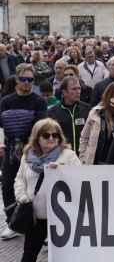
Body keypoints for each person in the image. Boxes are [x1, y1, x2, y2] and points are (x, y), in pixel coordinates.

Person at [14, 118, 81, 262]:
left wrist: (61, 171)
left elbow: (80, 180)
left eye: (55, 135)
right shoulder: (27, 155)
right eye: (46, 135)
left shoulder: (68, 155)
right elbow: (19, 179)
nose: (51, 138)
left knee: (63, 257)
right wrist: (23, 198)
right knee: (29, 255)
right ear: (37, 137)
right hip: (36, 217)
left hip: (62, 218)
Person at [0, 64, 47, 240]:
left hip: (32, 150)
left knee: (33, 186)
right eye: (23, 79)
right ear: (16, 80)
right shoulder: (6, 101)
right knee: (7, 185)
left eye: (30, 80)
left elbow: (40, 125)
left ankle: (34, 222)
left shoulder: (39, 101)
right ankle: (12, 223)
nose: (27, 83)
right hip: (11, 149)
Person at [78, 83, 114, 165]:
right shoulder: (96, 112)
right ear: (112, 99)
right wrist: (83, 158)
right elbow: (84, 137)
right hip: (96, 162)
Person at [47, 76, 91, 153]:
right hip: (62, 157)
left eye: (79, 88)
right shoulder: (52, 112)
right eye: (74, 89)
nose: (78, 92)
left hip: (83, 157)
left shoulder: (87, 109)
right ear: (64, 92)